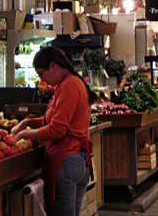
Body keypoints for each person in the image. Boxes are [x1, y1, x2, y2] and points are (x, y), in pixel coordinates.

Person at [12, 46, 99, 216]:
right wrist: (28, 122)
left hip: (67, 161)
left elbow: (57, 130)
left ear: (53, 66)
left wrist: (25, 134)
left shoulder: (70, 86)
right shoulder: (69, 83)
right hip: (75, 160)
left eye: (41, 74)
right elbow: (52, 121)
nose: (42, 79)